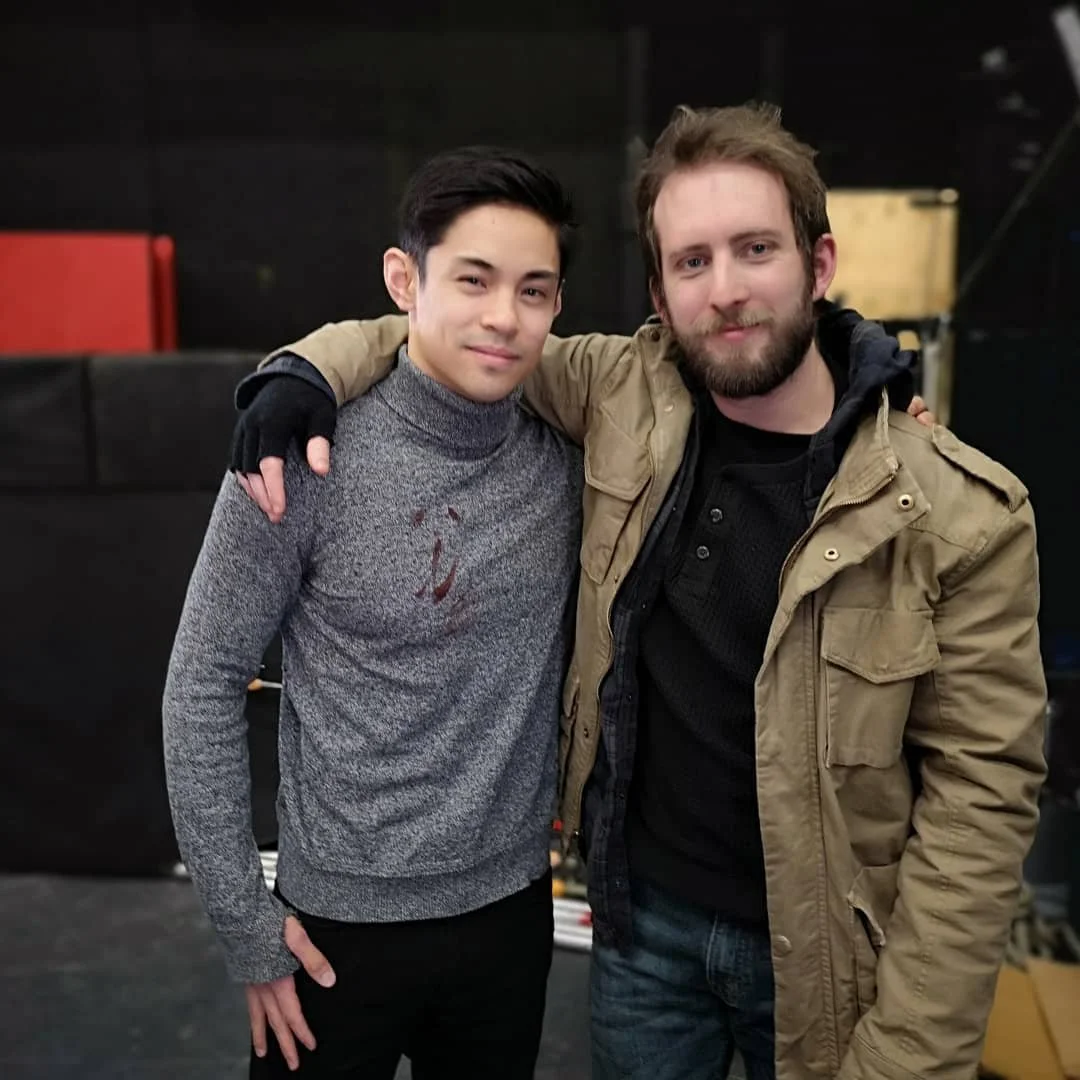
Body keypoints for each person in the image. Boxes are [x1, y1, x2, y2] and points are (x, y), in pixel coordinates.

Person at [231, 103, 1047, 1080]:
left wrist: (912, 1055)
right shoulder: (622, 390)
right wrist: (302, 373)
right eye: (692, 261)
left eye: (755, 249)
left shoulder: (964, 515)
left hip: (832, 954)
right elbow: (453, 328)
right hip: (640, 932)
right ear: (658, 292)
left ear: (820, 266)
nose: (728, 290)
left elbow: (981, 809)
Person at [162, 146, 585, 1079]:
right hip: (333, 930)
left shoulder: (572, 458)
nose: (502, 317)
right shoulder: (301, 453)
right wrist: (247, 926)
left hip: (511, 917)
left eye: (534, 291)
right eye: (473, 279)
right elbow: (198, 685)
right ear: (405, 280)